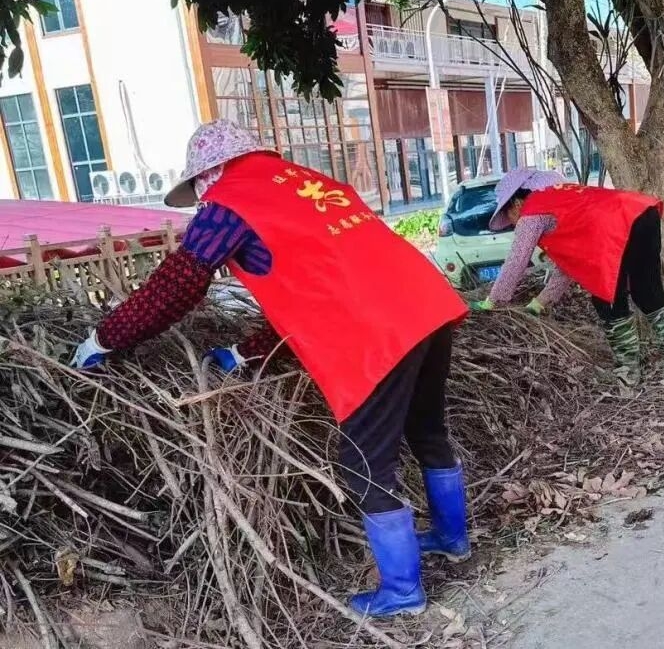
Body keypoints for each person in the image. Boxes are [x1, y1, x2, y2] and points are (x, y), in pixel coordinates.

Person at [71, 120, 471, 618]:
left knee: (363, 461)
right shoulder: (310, 185)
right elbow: (314, 292)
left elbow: (178, 284)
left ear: (210, 172)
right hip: (427, 305)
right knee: (426, 429)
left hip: (377, 330)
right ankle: (453, 539)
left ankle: (403, 591)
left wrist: (105, 338)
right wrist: (245, 354)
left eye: (198, 187)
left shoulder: (230, 203)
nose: (200, 199)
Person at [470, 169, 664, 389]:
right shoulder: (559, 197)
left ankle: (628, 376)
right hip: (641, 212)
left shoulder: (532, 213)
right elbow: (568, 267)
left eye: (508, 217)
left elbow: (517, 260)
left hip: (614, 230)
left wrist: (494, 300)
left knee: (608, 300)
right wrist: (540, 302)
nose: (511, 224)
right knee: (648, 291)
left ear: (515, 203)